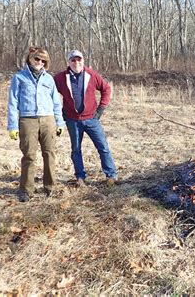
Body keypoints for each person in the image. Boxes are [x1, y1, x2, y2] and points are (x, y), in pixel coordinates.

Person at [7, 47, 65, 202]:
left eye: (43, 60)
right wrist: (12, 126)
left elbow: (56, 102)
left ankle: (50, 186)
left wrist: (59, 122)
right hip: (28, 120)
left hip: (48, 120)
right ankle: (26, 189)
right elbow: (12, 103)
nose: (40, 62)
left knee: (49, 154)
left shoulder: (49, 79)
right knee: (29, 156)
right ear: (30, 59)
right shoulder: (19, 78)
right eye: (37, 59)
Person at [54, 50, 117, 186]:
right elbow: (49, 93)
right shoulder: (60, 78)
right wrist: (59, 113)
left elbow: (106, 89)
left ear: (83, 60)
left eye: (79, 59)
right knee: (76, 149)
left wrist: (101, 109)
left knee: (103, 147)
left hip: (91, 119)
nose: (76, 62)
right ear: (68, 62)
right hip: (72, 120)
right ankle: (80, 177)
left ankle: (111, 176)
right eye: (73, 60)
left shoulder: (91, 75)